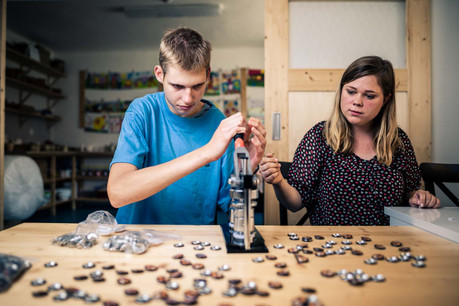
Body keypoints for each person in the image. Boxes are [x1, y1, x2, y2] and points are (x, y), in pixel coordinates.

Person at [107, 28, 266, 225]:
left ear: (208, 75)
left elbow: (235, 215)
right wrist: (207, 153)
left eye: (197, 86)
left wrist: (246, 173)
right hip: (137, 242)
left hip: (196, 245)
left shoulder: (219, 124)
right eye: (177, 86)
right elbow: (117, 193)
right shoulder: (142, 112)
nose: (188, 98)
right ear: (159, 74)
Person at [260, 56, 440, 226]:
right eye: (351, 92)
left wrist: (419, 197)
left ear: (386, 99)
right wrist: (278, 181)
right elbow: (295, 203)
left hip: (388, 244)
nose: (357, 102)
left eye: (369, 96)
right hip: (332, 245)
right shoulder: (320, 137)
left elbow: (409, 192)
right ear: (341, 90)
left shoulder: (398, 141)